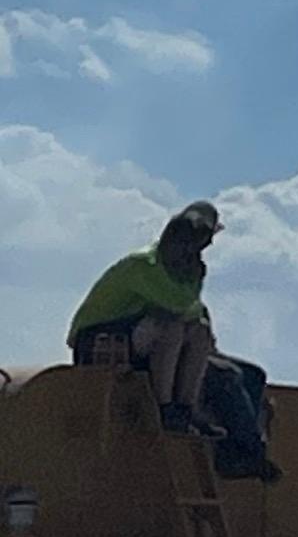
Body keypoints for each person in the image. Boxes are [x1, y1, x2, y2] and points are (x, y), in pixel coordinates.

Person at [69, 202, 277, 479]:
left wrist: (206, 345)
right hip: (102, 341)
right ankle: (170, 410)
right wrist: (196, 281)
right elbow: (180, 306)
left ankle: (231, 442)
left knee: (248, 374)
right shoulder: (144, 266)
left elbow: (196, 317)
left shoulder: (179, 272)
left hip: (148, 342)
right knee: (184, 338)